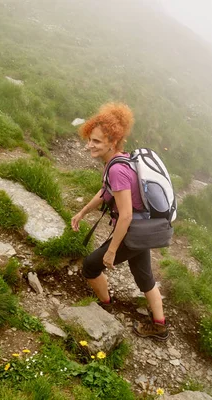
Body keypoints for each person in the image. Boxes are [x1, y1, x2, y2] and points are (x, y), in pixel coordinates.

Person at [71, 103, 169, 341]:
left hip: (131, 231)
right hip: (143, 230)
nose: (90, 145)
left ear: (112, 142)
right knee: (145, 278)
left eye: (96, 141)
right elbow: (105, 192)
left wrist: (112, 251)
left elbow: (125, 215)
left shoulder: (116, 170)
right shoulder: (121, 160)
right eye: (90, 139)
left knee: (91, 266)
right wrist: (82, 212)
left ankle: (105, 305)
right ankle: (160, 326)